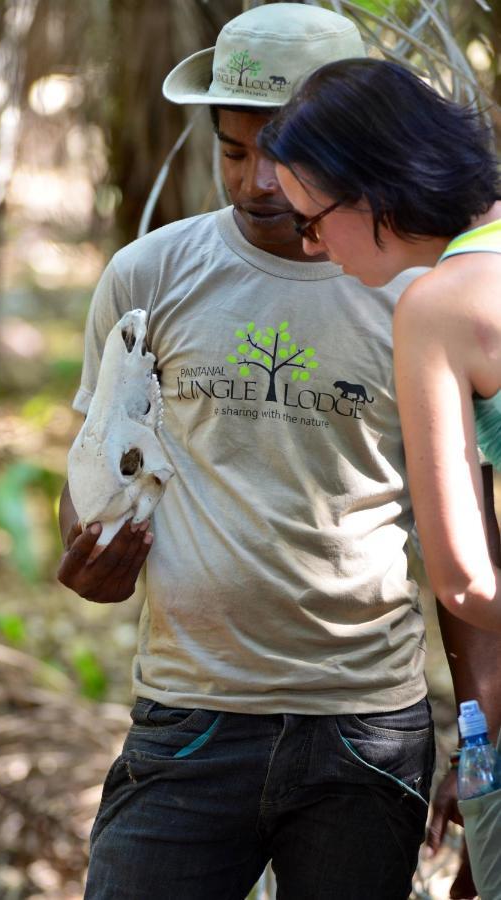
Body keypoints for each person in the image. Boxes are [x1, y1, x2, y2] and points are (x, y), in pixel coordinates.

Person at [57, 8, 501, 899]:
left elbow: (465, 548)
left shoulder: (423, 290)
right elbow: (101, 458)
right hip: (189, 717)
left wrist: (477, 737)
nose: (261, 183)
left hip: (362, 727)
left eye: (284, 154)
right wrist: (88, 553)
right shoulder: (150, 275)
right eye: (233, 151)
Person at [258, 58, 501, 633]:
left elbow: (465, 581)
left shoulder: (438, 304)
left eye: (309, 222)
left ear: (370, 191)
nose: (312, 247)